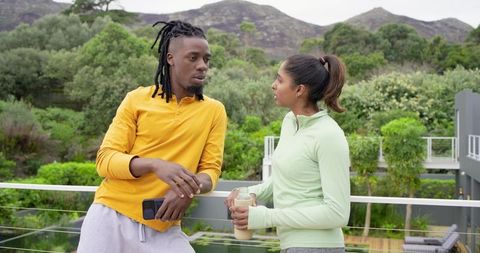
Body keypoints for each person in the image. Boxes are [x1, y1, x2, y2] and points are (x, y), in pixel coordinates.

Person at [77, 20, 227, 253]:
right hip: (110, 216)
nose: (202, 66)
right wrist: (155, 165)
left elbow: (210, 170)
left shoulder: (214, 110)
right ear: (170, 58)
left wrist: (188, 189)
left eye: (206, 59)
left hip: (164, 226)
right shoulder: (136, 100)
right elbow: (105, 161)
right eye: (193, 57)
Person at [226, 54, 350, 253]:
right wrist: (251, 192)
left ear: (299, 90)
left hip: (318, 247)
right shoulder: (290, 122)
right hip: (291, 245)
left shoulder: (329, 135)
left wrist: (266, 217)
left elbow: (338, 214)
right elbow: (284, 179)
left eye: (280, 80)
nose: (273, 85)